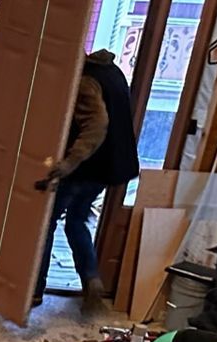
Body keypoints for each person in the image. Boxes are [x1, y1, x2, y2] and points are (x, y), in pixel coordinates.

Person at [35, 47, 139, 306]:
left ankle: (33, 289)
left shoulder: (84, 82)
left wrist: (68, 163)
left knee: (45, 223)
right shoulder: (111, 71)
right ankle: (91, 278)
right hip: (109, 167)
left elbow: (96, 126)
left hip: (86, 166)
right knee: (77, 220)